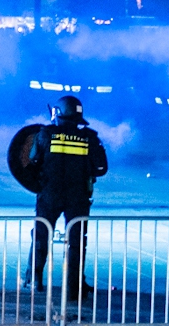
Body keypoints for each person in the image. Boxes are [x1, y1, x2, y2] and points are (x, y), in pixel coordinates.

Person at [24, 95, 107, 301]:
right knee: (77, 243)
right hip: (78, 197)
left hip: (49, 195)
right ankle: (73, 288)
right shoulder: (89, 137)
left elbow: (32, 159)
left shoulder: (45, 134)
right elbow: (101, 168)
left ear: (59, 112)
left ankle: (35, 280)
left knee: (41, 236)